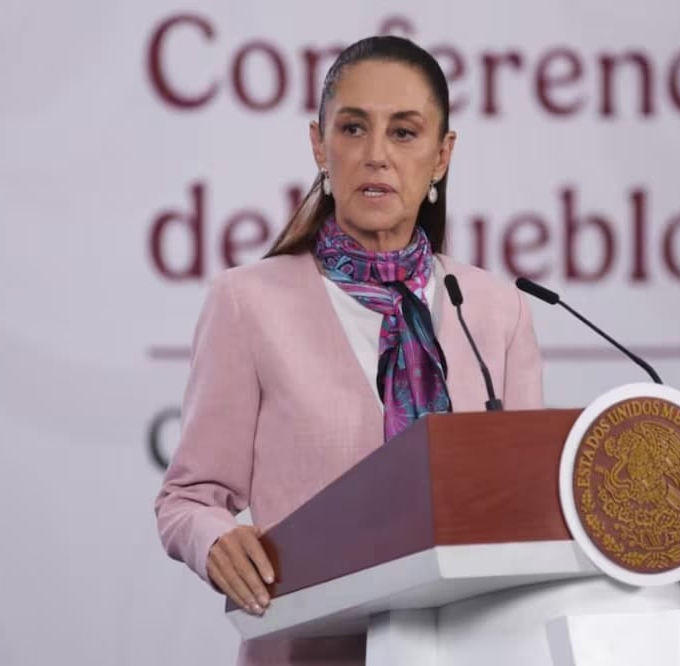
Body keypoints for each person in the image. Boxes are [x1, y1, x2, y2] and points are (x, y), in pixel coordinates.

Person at [154, 35, 544, 666]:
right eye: (354, 128)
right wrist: (216, 541)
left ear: (442, 156)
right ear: (319, 144)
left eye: (405, 133)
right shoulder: (246, 302)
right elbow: (189, 498)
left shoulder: (497, 311)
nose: (376, 156)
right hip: (310, 648)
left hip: (474, 645)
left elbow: (530, 505)